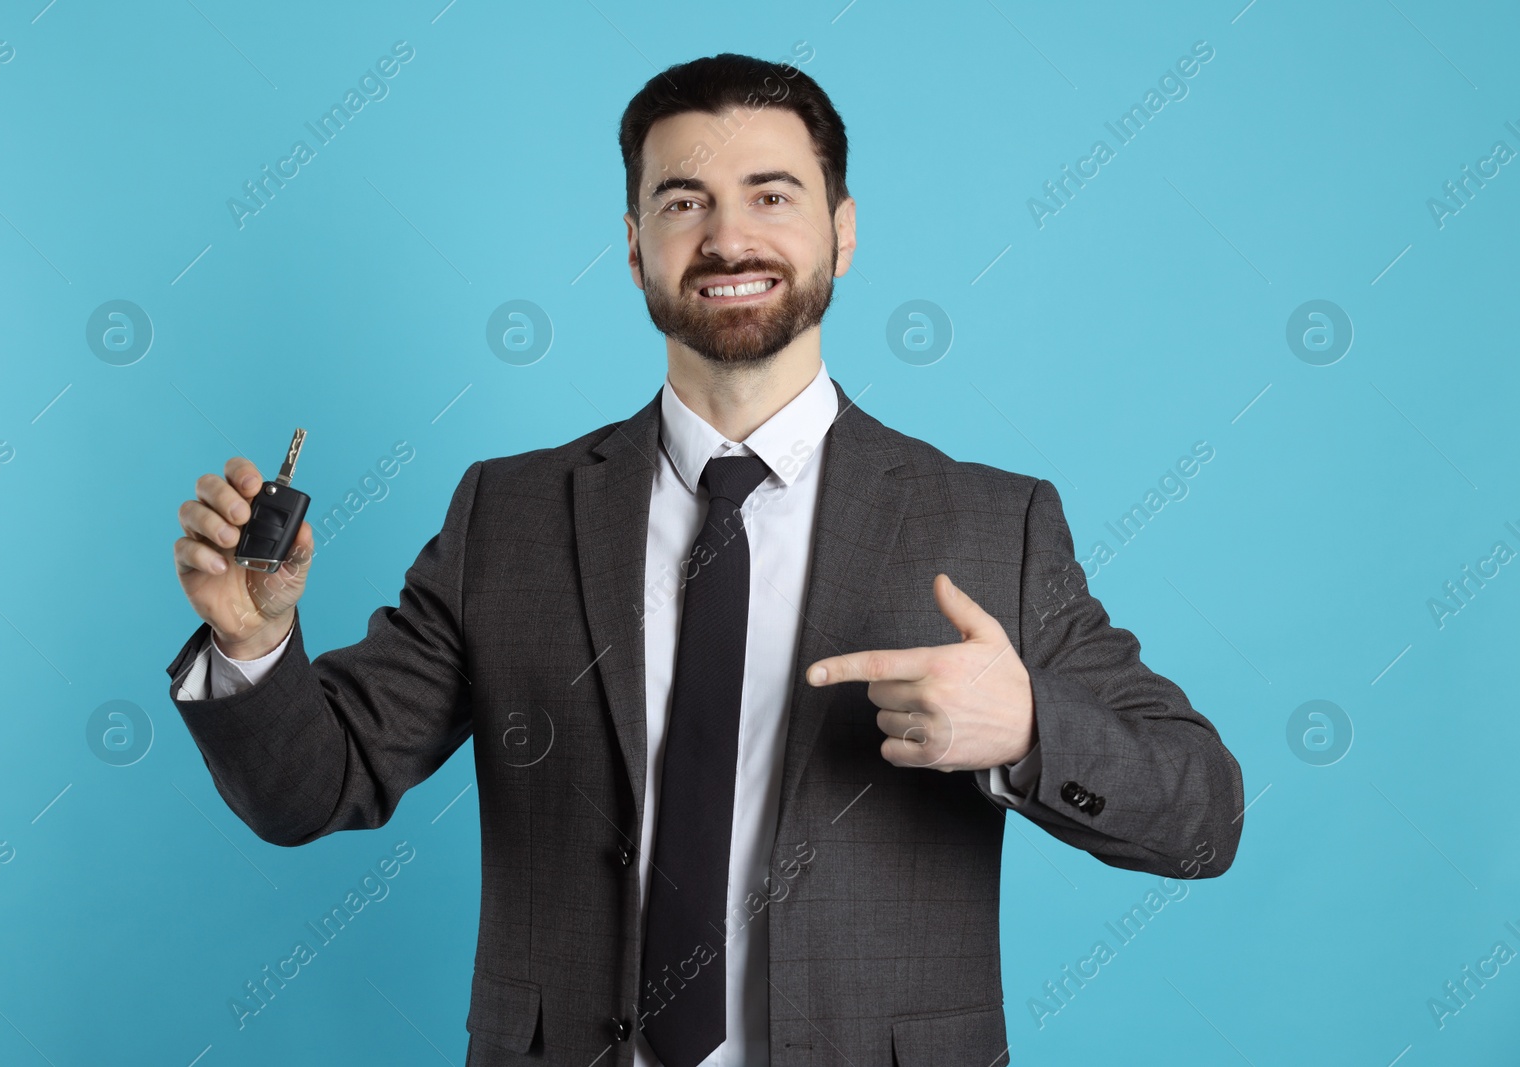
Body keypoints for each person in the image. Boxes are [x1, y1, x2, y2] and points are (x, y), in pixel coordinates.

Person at [167, 52, 1243, 1067]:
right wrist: (253, 645)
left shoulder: (989, 522)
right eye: (685, 200)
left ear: (844, 231)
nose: (729, 237)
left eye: (773, 195)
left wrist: (1026, 730)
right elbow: (316, 786)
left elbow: (1204, 815)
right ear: (634, 242)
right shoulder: (511, 514)